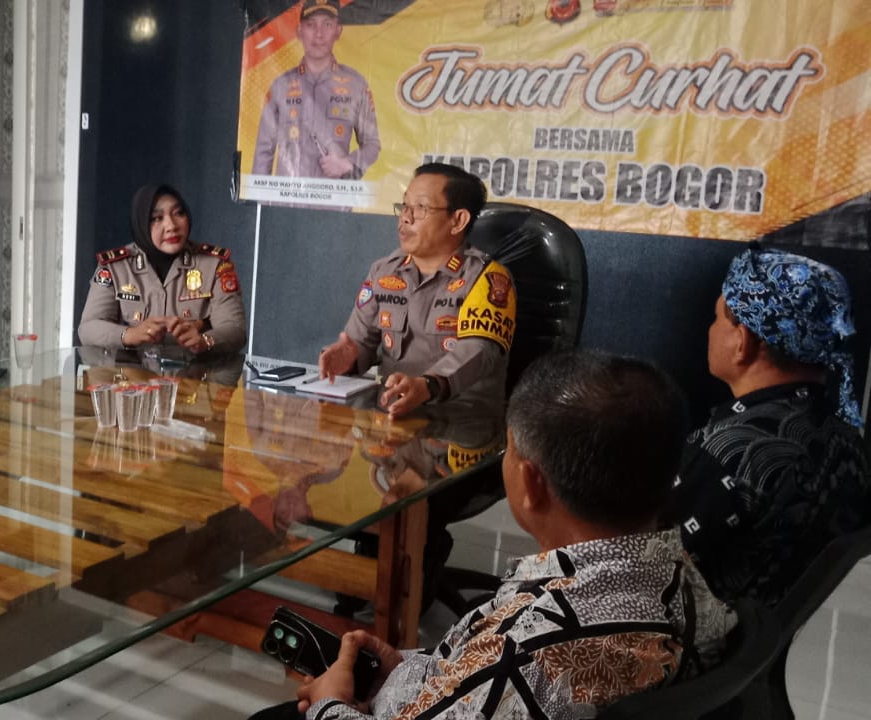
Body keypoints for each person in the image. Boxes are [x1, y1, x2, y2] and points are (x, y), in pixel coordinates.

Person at [261, 350, 734, 720]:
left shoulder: (528, 655)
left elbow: (506, 673)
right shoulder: (684, 580)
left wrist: (330, 704)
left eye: (509, 449)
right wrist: (411, 666)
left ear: (530, 483)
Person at [665, 246, 869, 607]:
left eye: (717, 318)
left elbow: (650, 574)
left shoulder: (727, 452)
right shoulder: (848, 440)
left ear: (742, 342)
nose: (710, 330)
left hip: (711, 636)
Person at [318, 163, 515, 417]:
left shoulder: (488, 279)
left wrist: (428, 386)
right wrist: (349, 357)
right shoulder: (384, 271)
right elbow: (359, 342)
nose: (405, 217)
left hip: (459, 423)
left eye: (421, 208)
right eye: (404, 206)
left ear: (458, 221)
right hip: (392, 415)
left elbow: (478, 351)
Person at [78, 184, 247, 360]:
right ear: (141, 222)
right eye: (156, 218)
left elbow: (235, 329)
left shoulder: (215, 265)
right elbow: (88, 328)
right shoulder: (116, 267)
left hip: (197, 374)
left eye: (178, 213)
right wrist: (130, 334)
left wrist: (205, 341)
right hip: (136, 374)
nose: (171, 226)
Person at [250, 0, 381, 180]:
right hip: (288, 195)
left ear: (338, 31)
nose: (319, 34)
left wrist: (348, 163)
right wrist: (259, 195)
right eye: (311, 25)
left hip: (334, 195)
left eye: (327, 24)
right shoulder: (280, 86)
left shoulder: (356, 85)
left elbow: (372, 144)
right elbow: (263, 151)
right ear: (299, 32)